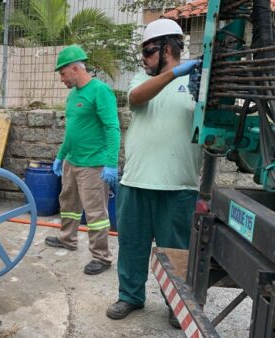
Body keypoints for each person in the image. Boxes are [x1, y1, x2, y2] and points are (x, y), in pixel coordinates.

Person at [105, 19, 202, 325]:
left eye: (148, 52)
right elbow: (136, 98)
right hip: (136, 180)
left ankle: (177, 303)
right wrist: (176, 72)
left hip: (179, 183)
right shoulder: (140, 80)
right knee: (132, 244)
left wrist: (205, 94)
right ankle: (130, 296)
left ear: (167, 48)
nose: (144, 59)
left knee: (176, 250)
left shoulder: (200, 83)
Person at [44, 44, 120, 276]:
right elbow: (71, 132)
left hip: (93, 165)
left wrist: (110, 162)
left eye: (63, 74)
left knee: (95, 213)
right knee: (68, 204)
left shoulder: (100, 91)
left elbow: (112, 127)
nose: (61, 79)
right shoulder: (73, 96)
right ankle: (68, 238)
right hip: (72, 161)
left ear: (76, 68)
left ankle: (102, 257)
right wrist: (60, 157)